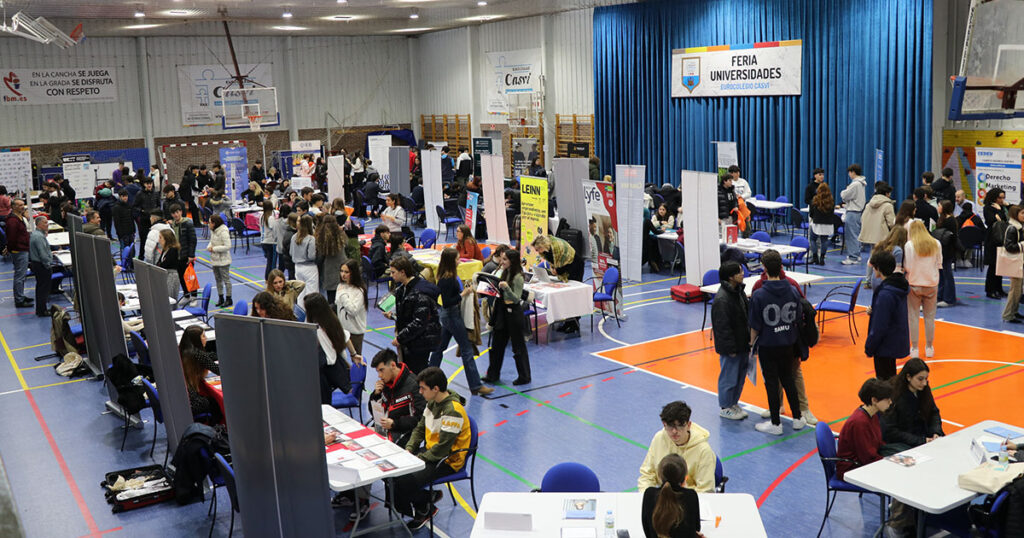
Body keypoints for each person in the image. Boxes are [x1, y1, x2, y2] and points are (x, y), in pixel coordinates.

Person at [395, 367, 472, 530]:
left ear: (435, 389)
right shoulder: (432, 402)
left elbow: (443, 449)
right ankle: (428, 496)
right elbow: (420, 429)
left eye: (423, 388)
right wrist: (409, 449)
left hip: (447, 460)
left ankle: (425, 508)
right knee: (396, 471)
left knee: (405, 480)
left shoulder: (452, 411)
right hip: (431, 452)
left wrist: (418, 459)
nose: (420, 392)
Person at [749, 250, 804, 435]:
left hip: (768, 345)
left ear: (764, 268)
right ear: (781, 267)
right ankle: (797, 418)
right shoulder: (793, 290)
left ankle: (775, 423)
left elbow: (755, 325)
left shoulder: (759, 294)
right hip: (788, 342)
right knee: (788, 379)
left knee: (772, 383)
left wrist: (751, 344)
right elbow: (798, 317)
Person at [428, 248, 494, 395]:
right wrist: (463, 294)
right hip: (451, 316)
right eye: (457, 259)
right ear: (451, 261)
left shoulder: (445, 275)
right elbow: (447, 302)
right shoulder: (448, 279)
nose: (459, 261)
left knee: (439, 349)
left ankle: (427, 379)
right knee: (466, 349)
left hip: (447, 316)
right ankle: (476, 385)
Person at [638, 401, 717, 493]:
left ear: (688, 425)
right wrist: (647, 496)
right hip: (663, 498)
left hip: (687, 501)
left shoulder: (704, 450)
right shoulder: (659, 438)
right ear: (664, 424)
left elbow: (705, 490)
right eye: (670, 426)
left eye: (680, 426)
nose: (674, 431)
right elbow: (647, 475)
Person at [479, 247, 531, 385]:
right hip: (502, 312)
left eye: (505, 259)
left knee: (518, 347)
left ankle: (524, 376)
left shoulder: (518, 277)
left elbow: (516, 299)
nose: (501, 262)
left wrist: (506, 287)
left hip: (513, 314)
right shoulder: (505, 272)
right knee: (496, 345)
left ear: (512, 261)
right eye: (501, 259)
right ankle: (492, 374)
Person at [385, 256, 440, 374]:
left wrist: (400, 338)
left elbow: (419, 322)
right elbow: (407, 317)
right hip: (410, 341)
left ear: (403, 272)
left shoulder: (420, 293)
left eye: (393, 272)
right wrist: (393, 316)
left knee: (417, 375)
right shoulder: (403, 289)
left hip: (420, 343)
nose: (392, 275)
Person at [305, 294, 363, 404]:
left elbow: (345, 336)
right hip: (328, 367)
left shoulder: (322, 326)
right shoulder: (327, 320)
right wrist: (353, 354)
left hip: (327, 369)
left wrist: (354, 355)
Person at [711, 261, 750, 420]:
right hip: (732, 348)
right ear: (730, 277)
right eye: (739, 272)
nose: (743, 274)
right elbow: (722, 328)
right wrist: (730, 348)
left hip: (743, 343)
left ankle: (733, 403)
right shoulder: (722, 299)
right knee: (729, 377)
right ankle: (725, 406)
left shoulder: (738, 291)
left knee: (739, 377)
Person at [836, 377, 893, 482]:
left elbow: (877, 444)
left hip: (864, 462)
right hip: (852, 469)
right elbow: (867, 458)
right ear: (874, 400)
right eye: (887, 399)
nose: (890, 402)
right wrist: (890, 462)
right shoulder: (860, 422)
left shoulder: (873, 415)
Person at [864, 250, 911, 380]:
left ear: (878, 268)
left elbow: (880, 325)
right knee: (890, 377)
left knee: (884, 381)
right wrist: (875, 311)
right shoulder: (897, 286)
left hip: (885, 344)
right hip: (894, 340)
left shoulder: (886, 293)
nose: (873, 270)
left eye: (874, 268)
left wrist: (869, 346)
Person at [904, 220, 941, 358]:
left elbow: (907, 266)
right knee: (930, 318)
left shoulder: (909, 245)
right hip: (931, 284)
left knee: (913, 317)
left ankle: (914, 348)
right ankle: (930, 347)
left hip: (914, 283)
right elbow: (939, 263)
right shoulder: (936, 243)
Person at [641, 453, 701, 538]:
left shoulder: (649, 494)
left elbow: (647, 529)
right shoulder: (690, 496)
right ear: (684, 478)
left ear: (659, 476)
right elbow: (696, 528)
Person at [859, 181, 896, 286]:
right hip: (882, 236)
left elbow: (863, 219)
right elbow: (891, 222)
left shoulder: (869, 204)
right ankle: (883, 280)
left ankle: (868, 280)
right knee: (884, 258)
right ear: (886, 193)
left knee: (872, 257)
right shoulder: (888, 205)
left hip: (870, 236)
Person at [180, 346, 223, 425]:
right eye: (203, 336)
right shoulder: (197, 354)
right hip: (194, 403)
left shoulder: (184, 351)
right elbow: (220, 371)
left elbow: (210, 355)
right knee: (217, 402)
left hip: (184, 400)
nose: (206, 338)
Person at [336, 259, 368, 355]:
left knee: (357, 359)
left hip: (355, 332)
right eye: (341, 271)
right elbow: (337, 303)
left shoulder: (359, 291)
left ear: (353, 273)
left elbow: (353, 310)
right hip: (342, 329)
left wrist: (343, 294)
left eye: (346, 272)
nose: (343, 274)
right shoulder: (340, 286)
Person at [6, 199, 32, 308]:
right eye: (20, 205)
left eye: (23, 204)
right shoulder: (13, 221)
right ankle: (19, 300)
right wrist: (11, 249)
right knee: (19, 276)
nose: (23, 207)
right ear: (14, 207)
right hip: (19, 251)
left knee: (21, 275)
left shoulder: (19, 218)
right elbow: (11, 238)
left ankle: (20, 295)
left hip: (22, 249)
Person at [315, 214, 347, 305]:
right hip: (343, 269)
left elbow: (319, 259)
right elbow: (347, 245)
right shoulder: (341, 235)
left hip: (329, 272)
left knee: (332, 300)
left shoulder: (321, 239)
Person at [984, 187, 1009, 298]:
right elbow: (991, 220)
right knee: (993, 265)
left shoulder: (1003, 207)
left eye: (1003, 198)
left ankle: (999, 288)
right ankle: (990, 290)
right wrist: (999, 212)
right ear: (994, 197)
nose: (1001, 200)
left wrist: (1002, 210)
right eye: (1000, 197)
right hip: (992, 239)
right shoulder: (988, 208)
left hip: (1001, 238)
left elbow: (1004, 220)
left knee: (1000, 265)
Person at [840, 164, 867, 264]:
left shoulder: (855, 184)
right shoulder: (861, 183)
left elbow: (844, 195)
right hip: (858, 212)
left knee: (851, 235)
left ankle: (853, 257)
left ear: (853, 172)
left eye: (849, 172)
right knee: (856, 234)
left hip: (853, 211)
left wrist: (845, 190)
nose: (849, 174)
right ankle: (857, 254)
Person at [935, 200, 960, 307]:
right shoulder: (943, 218)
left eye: (939, 205)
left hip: (947, 250)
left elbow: (951, 237)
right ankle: (940, 296)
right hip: (941, 249)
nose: (937, 207)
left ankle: (949, 298)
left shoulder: (950, 221)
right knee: (941, 274)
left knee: (947, 274)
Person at [170, 203, 197, 298]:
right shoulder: (172, 225)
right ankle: (186, 296)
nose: (176, 215)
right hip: (177, 256)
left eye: (177, 212)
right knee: (181, 277)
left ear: (181, 212)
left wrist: (191, 255)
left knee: (190, 277)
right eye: (173, 213)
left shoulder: (188, 223)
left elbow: (193, 241)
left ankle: (194, 296)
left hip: (187, 255)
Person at [28, 216, 53, 317]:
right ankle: (42, 311)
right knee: (43, 289)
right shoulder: (39, 237)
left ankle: (41, 309)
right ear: (38, 224)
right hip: (41, 266)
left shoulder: (37, 235)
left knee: (41, 288)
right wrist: (48, 264)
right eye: (45, 223)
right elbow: (42, 254)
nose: (47, 225)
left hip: (37, 264)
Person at [205, 215, 232, 307]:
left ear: (214, 223)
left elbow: (228, 246)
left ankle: (229, 298)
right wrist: (209, 246)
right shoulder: (213, 230)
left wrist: (214, 249)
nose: (208, 224)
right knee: (218, 280)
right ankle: (221, 298)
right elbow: (211, 241)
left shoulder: (223, 231)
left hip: (223, 260)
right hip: (215, 259)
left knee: (226, 280)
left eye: (209, 222)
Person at [291, 214, 318, 305]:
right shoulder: (311, 239)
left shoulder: (294, 237)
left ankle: (301, 316)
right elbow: (311, 256)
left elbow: (291, 252)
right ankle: (311, 317)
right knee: (312, 294)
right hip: (309, 268)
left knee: (300, 293)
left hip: (298, 267)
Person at [1003, 205, 1024, 323]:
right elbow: (1009, 246)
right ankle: (1008, 315)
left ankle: (1014, 312)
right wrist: (1022, 245)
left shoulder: (1020, 227)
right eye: (1022, 213)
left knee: (1018, 290)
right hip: (1015, 262)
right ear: (1016, 215)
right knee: (1014, 290)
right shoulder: (1012, 228)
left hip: (1020, 262)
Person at [808, 183, 835, 265]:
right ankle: (822, 258)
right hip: (828, 223)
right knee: (824, 240)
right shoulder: (831, 201)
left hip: (817, 222)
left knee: (812, 239)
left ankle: (815, 257)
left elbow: (811, 212)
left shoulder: (815, 200)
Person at [156, 229, 181, 298]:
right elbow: (158, 263)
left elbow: (164, 264)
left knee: (169, 298)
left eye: (160, 237)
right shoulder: (165, 249)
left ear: (167, 239)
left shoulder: (173, 250)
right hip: (165, 275)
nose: (159, 240)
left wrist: (161, 263)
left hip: (171, 277)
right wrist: (161, 263)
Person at [258, 201, 278, 280]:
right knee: (272, 264)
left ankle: (268, 279)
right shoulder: (270, 218)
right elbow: (275, 230)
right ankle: (271, 280)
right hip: (271, 242)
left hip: (263, 241)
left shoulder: (261, 216)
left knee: (269, 263)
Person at [276, 207, 296, 279]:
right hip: (287, 249)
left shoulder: (277, 222)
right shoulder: (290, 226)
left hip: (280, 247)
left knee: (281, 268)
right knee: (291, 270)